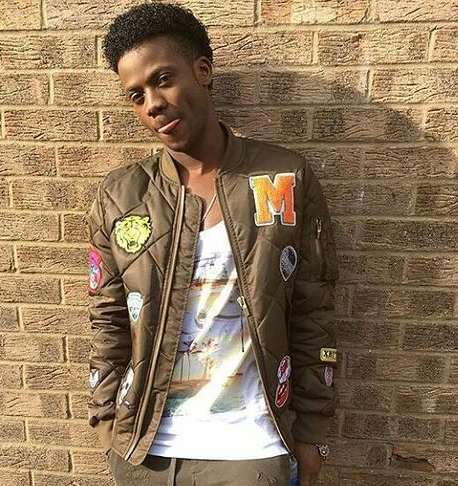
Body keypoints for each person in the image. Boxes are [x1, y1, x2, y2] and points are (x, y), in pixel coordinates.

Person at [87, 3, 338, 485]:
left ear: (203, 70)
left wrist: (311, 435)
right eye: (136, 96)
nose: (152, 104)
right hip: (144, 452)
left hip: (251, 447)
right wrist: (105, 421)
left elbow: (313, 313)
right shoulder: (121, 196)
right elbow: (108, 318)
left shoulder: (283, 179)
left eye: (163, 79)